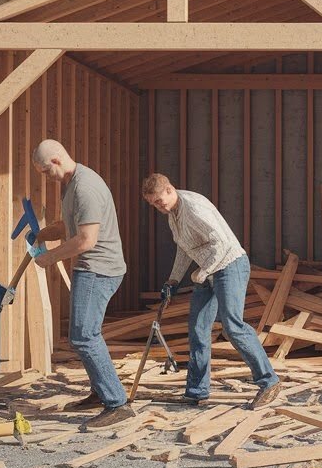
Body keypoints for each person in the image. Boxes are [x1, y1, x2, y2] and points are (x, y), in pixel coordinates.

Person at [143, 173, 282, 409]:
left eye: (158, 201)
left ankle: (269, 382)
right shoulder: (173, 216)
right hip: (208, 270)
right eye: (152, 204)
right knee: (197, 328)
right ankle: (197, 391)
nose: (157, 206)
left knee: (233, 326)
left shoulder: (194, 208)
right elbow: (185, 250)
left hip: (230, 265)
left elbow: (222, 245)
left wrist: (204, 271)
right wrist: (173, 280)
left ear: (169, 189)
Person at [31, 139, 134, 429]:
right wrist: (42, 234)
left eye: (43, 171)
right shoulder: (71, 185)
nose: (44, 177)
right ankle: (101, 391)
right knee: (85, 334)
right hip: (93, 268)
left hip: (99, 269)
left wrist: (49, 258)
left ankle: (117, 403)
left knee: (83, 336)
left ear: (55, 161)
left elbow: (87, 240)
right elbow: (68, 226)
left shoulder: (85, 187)